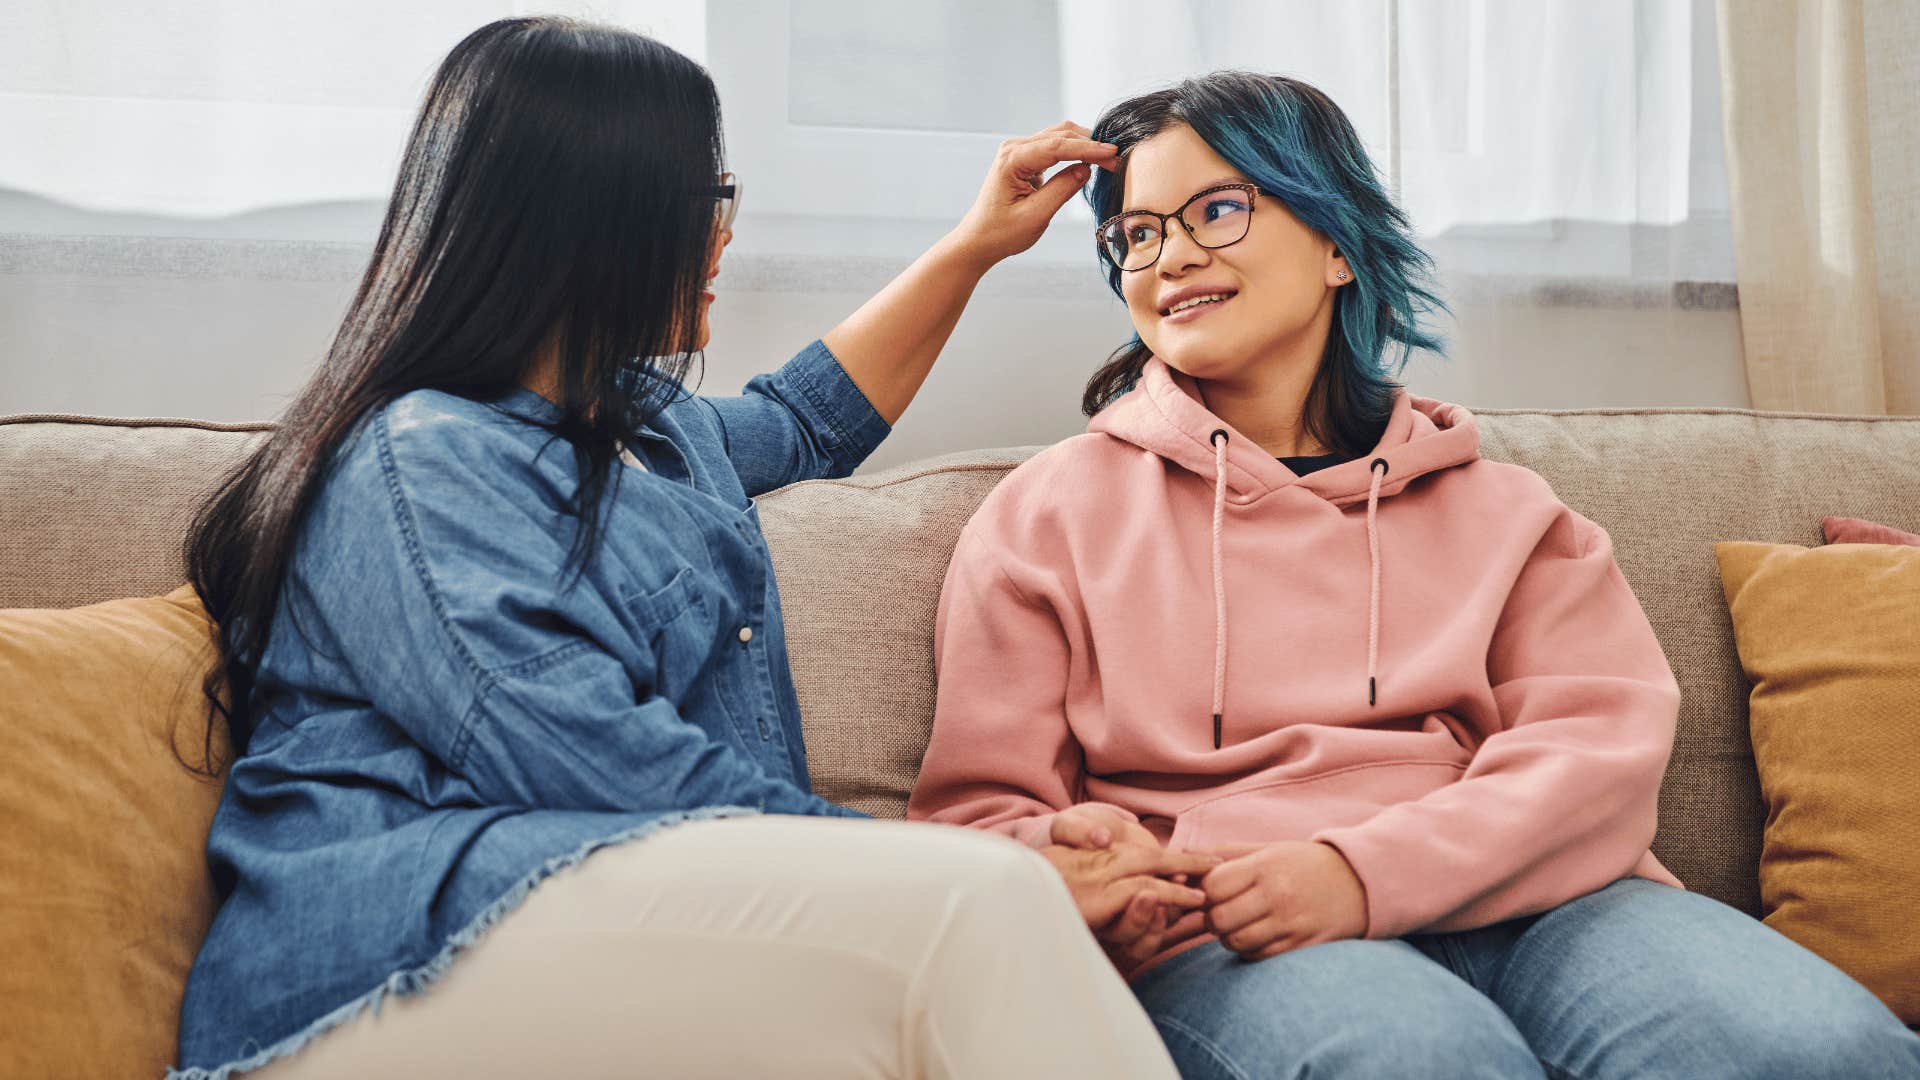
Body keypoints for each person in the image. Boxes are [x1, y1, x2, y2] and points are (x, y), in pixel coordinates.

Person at [171, 18, 1210, 1079]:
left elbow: (810, 419)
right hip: (390, 961)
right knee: (983, 907)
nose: (725, 237)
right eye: (708, 201)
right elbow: (584, 761)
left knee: (975, 931)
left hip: (592, 920)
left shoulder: (649, 433)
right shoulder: (420, 458)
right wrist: (986, 863)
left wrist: (976, 245)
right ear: (600, 218)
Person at [907, 71, 1920, 1079]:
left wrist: (1360, 871)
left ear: (1338, 244)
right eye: (1137, 233)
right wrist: (1079, 871)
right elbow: (975, 819)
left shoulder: (1509, 511)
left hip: (1550, 905)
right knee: (1424, 1059)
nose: (1170, 255)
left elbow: (1596, 754)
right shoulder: (1047, 515)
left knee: (1821, 1047)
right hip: (1236, 923)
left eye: (1218, 209)